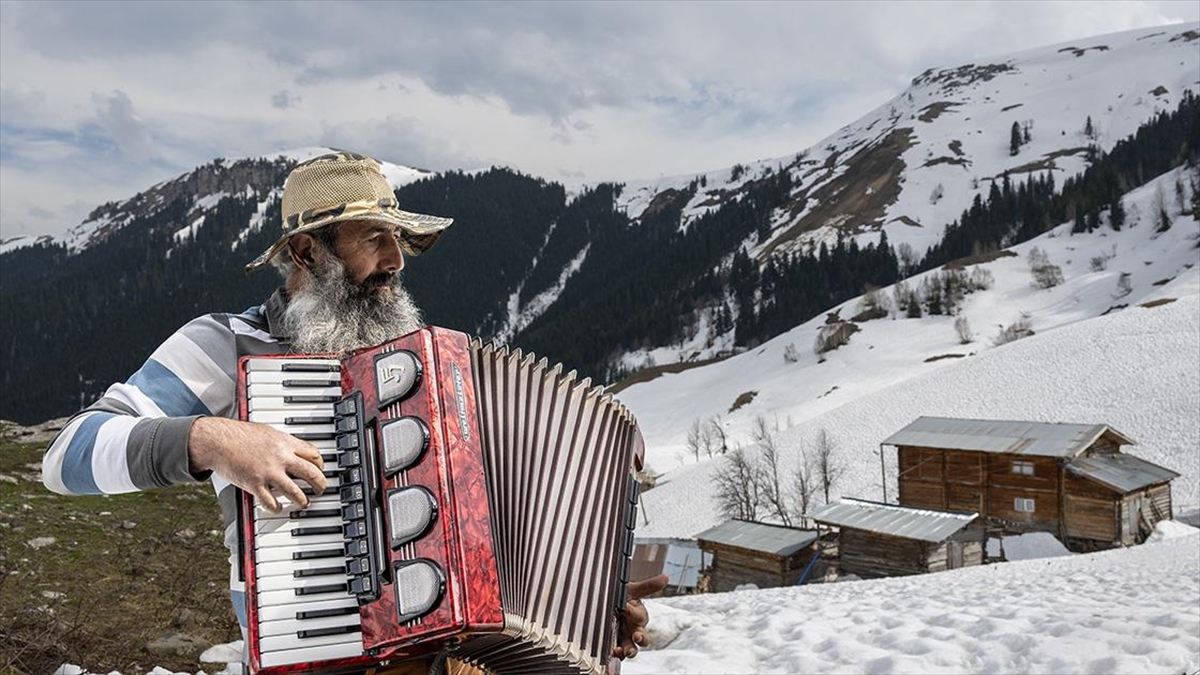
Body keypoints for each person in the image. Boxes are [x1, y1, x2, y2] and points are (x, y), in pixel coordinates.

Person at [42, 150, 668, 669]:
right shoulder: (225, 344)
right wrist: (211, 438)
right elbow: (67, 456)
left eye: (399, 239)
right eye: (376, 239)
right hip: (309, 653)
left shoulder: (431, 372)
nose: (397, 261)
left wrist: (586, 606)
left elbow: (501, 535)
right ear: (308, 252)